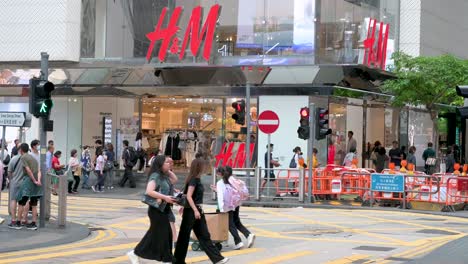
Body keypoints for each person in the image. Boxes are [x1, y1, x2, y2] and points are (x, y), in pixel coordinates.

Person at [174, 158, 229, 264]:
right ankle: (178, 261)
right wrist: (195, 210)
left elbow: (188, 196)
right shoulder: (194, 179)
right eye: (203, 165)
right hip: (192, 211)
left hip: (196, 210)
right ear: (198, 167)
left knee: (204, 236)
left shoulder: (196, 179)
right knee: (184, 237)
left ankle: (217, 259)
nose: (205, 167)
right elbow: (189, 196)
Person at [127, 155, 177, 264]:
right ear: (160, 165)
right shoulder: (155, 176)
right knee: (162, 234)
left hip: (164, 209)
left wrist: (168, 170)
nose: (169, 164)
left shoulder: (163, 176)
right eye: (166, 162)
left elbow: (174, 179)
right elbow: (149, 191)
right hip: (156, 210)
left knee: (159, 233)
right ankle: (166, 259)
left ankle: (137, 253)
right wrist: (165, 197)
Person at [214, 166, 255, 250]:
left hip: (226, 206)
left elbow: (221, 195)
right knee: (236, 222)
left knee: (230, 224)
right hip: (235, 204)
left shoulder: (220, 182)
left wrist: (221, 209)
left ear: (220, 173)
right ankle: (248, 235)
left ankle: (238, 242)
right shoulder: (233, 181)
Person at [16, 143, 42, 230]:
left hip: (28, 181)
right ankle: (34, 223)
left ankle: (18, 223)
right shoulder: (33, 158)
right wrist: (38, 180)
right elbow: (39, 171)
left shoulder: (23, 157)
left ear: (21, 150)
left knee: (21, 202)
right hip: (36, 183)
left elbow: (28, 170)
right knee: (34, 204)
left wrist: (33, 180)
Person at [7, 149, 24, 229]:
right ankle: (19, 221)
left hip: (14, 182)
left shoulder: (13, 159)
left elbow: (9, 171)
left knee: (13, 200)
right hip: (23, 183)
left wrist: (12, 179)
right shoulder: (26, 159)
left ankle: (13, 220)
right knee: (21, 202)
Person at [166, 156, 179, 248]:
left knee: (170, 220)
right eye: (169, 162)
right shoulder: (162, 174)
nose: (171, 164)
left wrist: (174, 190)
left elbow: (170, 183)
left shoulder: (168, 173)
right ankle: (175, 240)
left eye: (172, 163)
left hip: (168, 201)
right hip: (164, 202)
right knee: (171, 220)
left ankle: (174, 239)